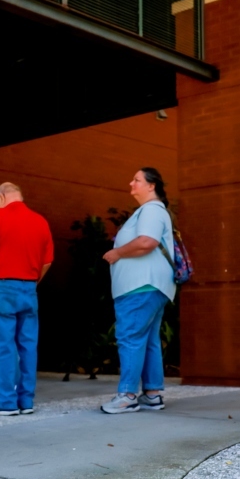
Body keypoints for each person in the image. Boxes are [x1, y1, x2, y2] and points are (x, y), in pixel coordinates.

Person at [100, 168, 176, 414]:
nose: (131, 183)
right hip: (149, 286)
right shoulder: (152, 211)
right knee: (148, 340)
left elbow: (147, 241)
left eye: (137, 180)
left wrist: (117, 252)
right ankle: (152, 394)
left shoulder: (152, 210)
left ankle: (127, 395)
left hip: (140, 287)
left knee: (130, 337)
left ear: (151, 185)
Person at [0, 183, 54, 416]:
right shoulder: (40, 221)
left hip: (1, 287)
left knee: (0, 345)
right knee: (27, 345)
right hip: (29, 288)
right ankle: (26, 401)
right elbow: (47, 261)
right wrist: (30, 283)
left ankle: (6, 402)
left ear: (0, 198)